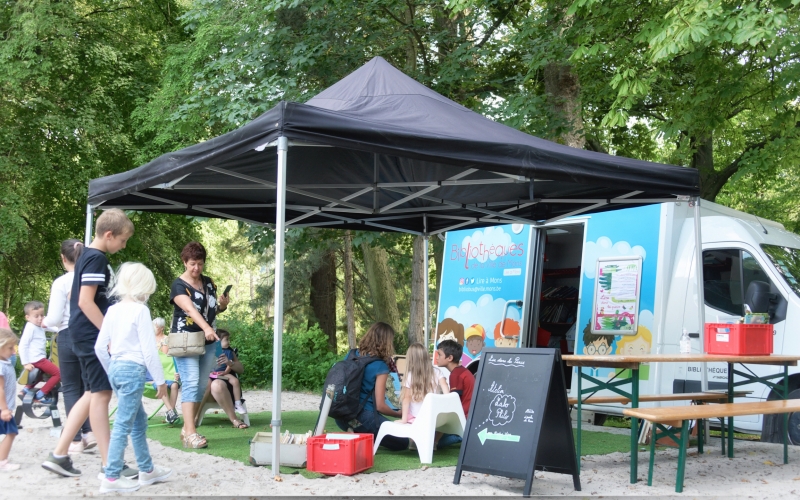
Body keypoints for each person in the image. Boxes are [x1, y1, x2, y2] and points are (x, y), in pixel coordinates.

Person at [42, 208, 134, 478]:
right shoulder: (95, 258)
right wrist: (108, 335)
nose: (124, 245)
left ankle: (59, 455)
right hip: (91, 335)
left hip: (83, 334)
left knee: (92, 393)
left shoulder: (90, 256)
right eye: (123, 240)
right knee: (101, 394)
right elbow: (84, 301)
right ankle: (110, 464)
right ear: (109, 234)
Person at [93, 263, 172, 492]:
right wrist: (160, 381)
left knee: (138, 420)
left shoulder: (112, 310)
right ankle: (111, 476)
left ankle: (147, 470)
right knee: (123, 424)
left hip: (116, 368)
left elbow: (100, 347)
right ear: (142, 288)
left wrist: (112, 370)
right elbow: (149, 351)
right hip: (133, 370)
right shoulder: (140, 311)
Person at [170, 241, 229, 448]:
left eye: (200, 264)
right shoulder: (178, 285)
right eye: (192, 263)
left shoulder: (210, 282)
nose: (196, 268)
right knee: (191, 382)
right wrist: (206, 328)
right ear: (184, 262)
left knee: (201, 384)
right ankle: (191, 433)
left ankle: (187, 429)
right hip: (186, 340)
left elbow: (210, 310)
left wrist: (221, 306)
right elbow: (191, 311)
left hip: (209, 341)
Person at [42, 239, 95, 454]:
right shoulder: (90, 278)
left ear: (63, 258)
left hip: (67, 335)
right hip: (89, 336)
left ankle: (74, 439)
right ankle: (89, 431)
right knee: (88, 386)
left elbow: (54, 317)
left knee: (72, 388)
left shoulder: (61, 282)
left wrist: (45, 322)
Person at [334, 322, 408, 451]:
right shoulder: (380, 366)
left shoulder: (351, 354)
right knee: (402, 441)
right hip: (363, 417)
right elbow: (380, 406)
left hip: (341, 416)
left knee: (371, 425)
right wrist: (400, 414)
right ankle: (361, 435)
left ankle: (356, 434)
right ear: (387, 342)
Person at [434, 338, 475, 449]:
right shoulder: (462, 371)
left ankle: (460, 436)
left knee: (435, 441)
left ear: (450, 358)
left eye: (439, 354)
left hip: (464, 419)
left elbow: (453, 403)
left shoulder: (456, 375)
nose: (436, 357)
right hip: (469, 416)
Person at [19, 301, 61, 404]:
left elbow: (53, 328)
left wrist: (61, 329)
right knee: (58, 374)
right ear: (28, 317)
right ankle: (40, 395)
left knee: (40, 375)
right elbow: (23, 345)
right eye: (36, 316)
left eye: (42, 315)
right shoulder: (30, 327)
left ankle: (25, 391)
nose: (40, 318)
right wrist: (25, 363)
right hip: (37, 359)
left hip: (38, 358)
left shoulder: (39, 326)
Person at [206, 329, 248, 428]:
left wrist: (229, 363)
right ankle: (194, 419)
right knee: (205, 383)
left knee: (217, 385)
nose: (229, 342)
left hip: (225, 382)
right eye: (226, 340)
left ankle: (235, 415)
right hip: (210, 379)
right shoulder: (206, 350)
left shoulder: (229, 351)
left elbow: (241, 369)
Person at [400, 342, 448, 424]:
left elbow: (406, 398)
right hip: (433, 416)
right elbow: (447, 394)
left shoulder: (410, 376)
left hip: (415, 417)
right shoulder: (437, 372)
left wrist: (404, 420)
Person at [151, 317, 180, 424]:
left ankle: (170, 413)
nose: (153, 328)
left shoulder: (165, 340)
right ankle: (171, 412)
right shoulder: (148, 339)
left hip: (166, 371)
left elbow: (166, 358)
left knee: (174, 385)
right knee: (163, 384)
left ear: (162, 328)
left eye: (156, 326)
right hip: (154, 373)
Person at [0, 328, 20, 471]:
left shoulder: (5, 363)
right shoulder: (1, 366)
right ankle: (2, 461)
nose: (13, 351)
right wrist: (5, 409)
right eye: (10, 348)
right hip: (2, 408)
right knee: (11, 432)